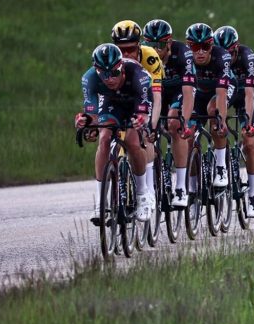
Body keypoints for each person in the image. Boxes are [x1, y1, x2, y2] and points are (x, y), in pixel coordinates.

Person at [75, 43, 153, 224]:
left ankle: (142, 194)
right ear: (96, 70)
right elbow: (92, 115)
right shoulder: (90, 79)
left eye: (114, 73)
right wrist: (85, 122)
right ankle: (101, 202)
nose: (109, 79)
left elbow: (143, 112)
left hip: (136, 103)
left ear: (122, 68)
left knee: (133, 142)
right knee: (103, 138)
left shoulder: (138, 75)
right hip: (112, 104)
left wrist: (142, 120)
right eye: (104, 74)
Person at [142, 19, 196, 207]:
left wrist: (185, 121)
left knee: (174, 123)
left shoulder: (183, 54)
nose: (155, 49)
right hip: (156, 93)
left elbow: (188, 91)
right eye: (150, 44)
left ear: (169, 43)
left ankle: (181, 188)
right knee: (145, 129)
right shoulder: (144, 56)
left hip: (179, 92)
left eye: (160, 45)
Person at [112, 20, 165, 207]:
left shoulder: (150, 57)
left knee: (145, 135)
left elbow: (156, 96)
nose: (126, 55)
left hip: (145, 95)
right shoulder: (110, 57)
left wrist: (152, 125)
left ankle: (148, 190)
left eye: (131, 49)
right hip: (122, 97)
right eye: (122, 50)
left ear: (139, 45)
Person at [213, 26, 254, 217]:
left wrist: (249, 121)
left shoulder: (247, 57)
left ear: (237, 48)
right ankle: (221, 166)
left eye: (231, 52)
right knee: (216, 121)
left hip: (245, 96)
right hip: (225, 93)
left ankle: (253, 194)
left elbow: (251, 94)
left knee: (249, 142)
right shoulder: (216, 58)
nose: (228, 57)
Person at [185, 23, 232, 190]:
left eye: (205, 46)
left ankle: (221, 166)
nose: (200, 52)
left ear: (212, 45)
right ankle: (192, 190)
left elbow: (221, 94)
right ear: (188, 46)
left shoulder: (222, 56)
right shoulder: (185, 59)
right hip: (197, 93)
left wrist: (222, 120)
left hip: (219, 91)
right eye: (195, 47)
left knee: (214, 112)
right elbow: (185, 91)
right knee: (188, 138)